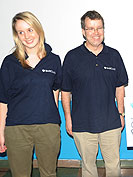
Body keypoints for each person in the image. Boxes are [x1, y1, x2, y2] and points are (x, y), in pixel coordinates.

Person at [61, 10, 128, 177]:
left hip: (111, 122)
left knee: (113, 165)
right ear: (83, 32)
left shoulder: (114, 55)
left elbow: (120, 87)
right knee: (88, 167)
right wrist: (68, 119)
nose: (96, 33)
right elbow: (65, 91)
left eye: (99, 28)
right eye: (90, 28)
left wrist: (121, 113)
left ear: (104, 30)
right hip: (82, 123)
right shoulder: (72, 57)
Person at [0, 11, 62, 177]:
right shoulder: (9, 62)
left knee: (49, 173)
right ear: (17, 36)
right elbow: (3, 100)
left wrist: (54, 120)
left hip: (47, 127)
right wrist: (0, 133)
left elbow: (55, 90)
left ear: (38, 30)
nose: (26, 36)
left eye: (30, 30)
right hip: (16, 128)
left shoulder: (54, 60)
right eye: (21, 32)